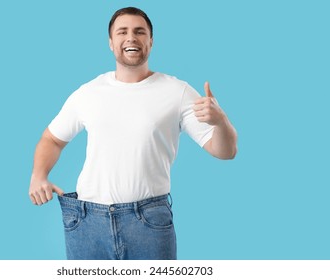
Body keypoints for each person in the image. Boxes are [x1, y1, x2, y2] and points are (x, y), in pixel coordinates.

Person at [29, 7, 237, 260]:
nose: (131, 37)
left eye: (140, 32)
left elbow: (225, 152)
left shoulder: (177, 92)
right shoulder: (88, 93)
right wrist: (39, 175)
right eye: (122, 31)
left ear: (150, 41)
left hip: (148, 223)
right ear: (111, 42)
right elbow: (51, 139)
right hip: (87, 222)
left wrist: (221, 122)